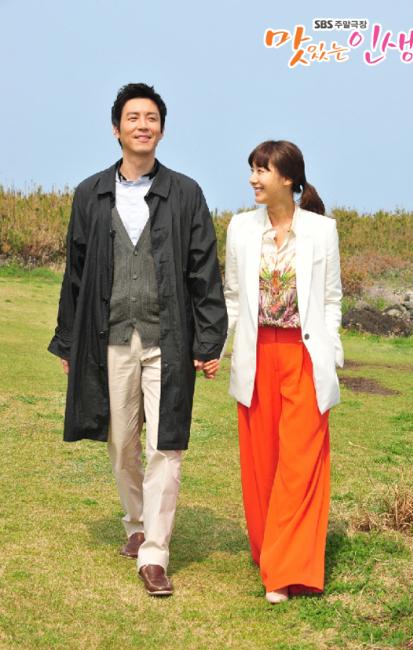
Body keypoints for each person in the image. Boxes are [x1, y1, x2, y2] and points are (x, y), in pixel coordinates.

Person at [48, 83, 228, 597]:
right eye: (133, 117)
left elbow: (203, 270)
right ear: (116, 128)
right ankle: (136, 522)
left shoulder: (186, 193)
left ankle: (155, 554)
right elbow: (76, 273)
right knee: (121, 441)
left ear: (162, 130)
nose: (142, 125)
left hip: (169, 338)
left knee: (165, 443)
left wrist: (208, 340)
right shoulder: (90, 194)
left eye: (151, 117)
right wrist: (68, 341)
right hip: (109, 337)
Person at [220, 140, 343, 604]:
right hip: (256, 356)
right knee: (262, 462)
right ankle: (271, 550)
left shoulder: (322, 230)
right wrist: (215, 349)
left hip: (304, 357)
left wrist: (330, 351)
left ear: (288, 178)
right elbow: (233, 298)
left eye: (262, 170)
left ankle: (286, 571)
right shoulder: (239, 228)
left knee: (300, 463)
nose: (253, 178)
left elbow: (331, 299)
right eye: (252, 169)